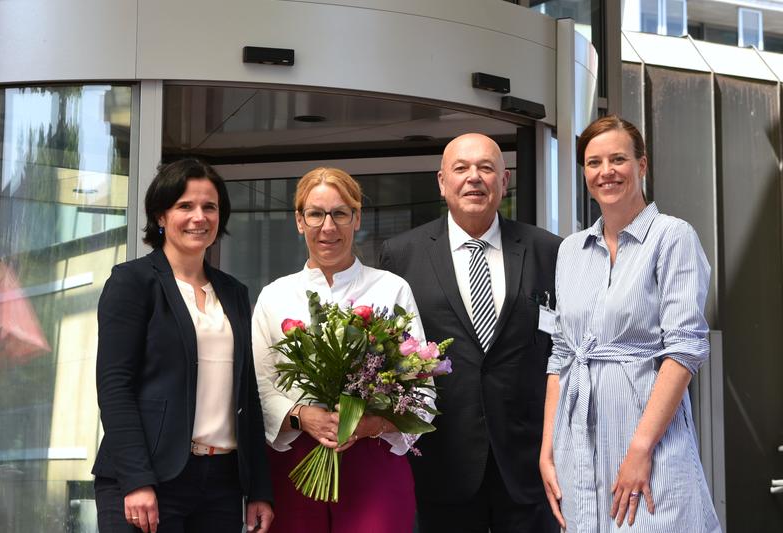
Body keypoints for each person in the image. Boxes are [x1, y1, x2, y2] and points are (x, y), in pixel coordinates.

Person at [540, 115, 721, 532]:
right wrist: (548, 450)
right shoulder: (570, 250)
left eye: (618, 159)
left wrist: (640, 449)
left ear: (642, 165)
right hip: (576, 442)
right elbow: (562, 355)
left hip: (649, 439)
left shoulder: (672, 237)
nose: (606, 172)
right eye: (593, 162)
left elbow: (684, 350)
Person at [379, 133, 561, 533]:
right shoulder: (401, 254)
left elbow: (562, 353)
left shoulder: (549, 251)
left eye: (486, 168)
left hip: (529, 466)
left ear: (504, 180)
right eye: (461, 168)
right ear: (442, 182)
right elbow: (389, 358)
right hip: (441, 464)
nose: (474, 178)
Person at [93, 159, 274, 533]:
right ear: (161, 215)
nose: (199, 217)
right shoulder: (132, 282)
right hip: (150, 479)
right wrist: (137, 479)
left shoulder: (234, 292)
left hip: (222, 482)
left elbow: (247, 396)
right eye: (185, 206)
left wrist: (259, 489)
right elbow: (115, 388)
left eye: (210, 207)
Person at [251, 167, 427, 533]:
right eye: (315, 214)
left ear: (356, 218)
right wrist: (302, 416)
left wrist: (370, 424)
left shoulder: (392, 290)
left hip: (374, 459)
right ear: (299, 221)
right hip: (296, 462)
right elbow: (258, 385)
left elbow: (421, 384)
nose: (327, 227)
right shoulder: (274, 295)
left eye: (340, 213)